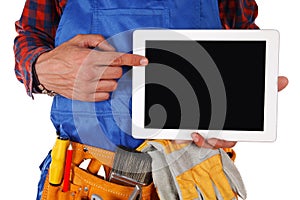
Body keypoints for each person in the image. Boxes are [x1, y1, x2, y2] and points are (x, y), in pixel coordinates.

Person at [14, 0, 288, 199]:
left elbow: (242, 32)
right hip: (87, 180)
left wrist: (242, 99)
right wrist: (40, 67)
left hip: (195, 178)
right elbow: (31, 36)